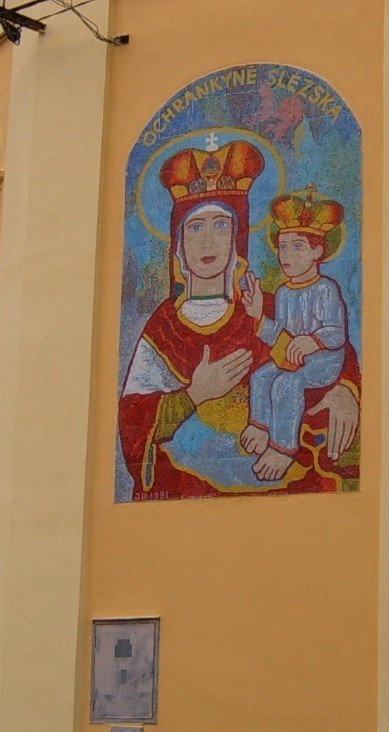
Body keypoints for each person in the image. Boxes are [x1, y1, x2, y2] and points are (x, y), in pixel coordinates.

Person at [118, 141, 359, 499]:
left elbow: (331, 354)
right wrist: (196, 393)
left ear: (237, 240)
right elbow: (132, 424)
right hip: (187, 494)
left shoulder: (262, 306)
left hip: (289, 487)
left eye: (221, 226)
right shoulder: (164, 327)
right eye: (195, 228)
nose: (208, 242)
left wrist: (346, 391)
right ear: (179, 246)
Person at [238, 189, 349, 482]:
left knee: (287, 384)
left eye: (297, 247)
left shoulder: (325, 288)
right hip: (293, 357)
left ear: (317, 252)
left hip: (322, 362)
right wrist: (258, 316)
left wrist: (312, 341)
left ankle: (283, 447)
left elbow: (336, 333)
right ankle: (260, 426)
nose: (286, 255)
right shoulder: (285, 292)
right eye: (283, 247)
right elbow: (281, 337)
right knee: (261, 376)